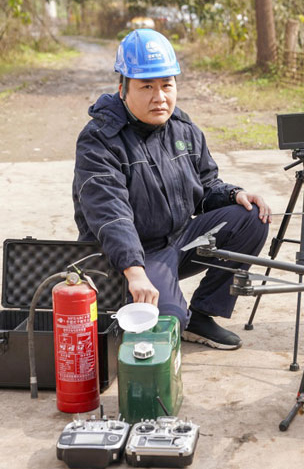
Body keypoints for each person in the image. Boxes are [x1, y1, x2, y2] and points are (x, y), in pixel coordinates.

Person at [73, 29, 271, 350]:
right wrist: (135, 272)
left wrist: (234, 194)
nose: (160, 97)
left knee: (249, 217)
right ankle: (157, 303)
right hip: (134, 254)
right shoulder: (99, 139)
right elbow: (110, 214)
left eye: (167, 85)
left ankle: (204, 315)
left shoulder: (183, 128)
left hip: (179, 240)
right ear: (122, 88)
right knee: (165, 325)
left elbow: (206, 185)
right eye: (146, 86)